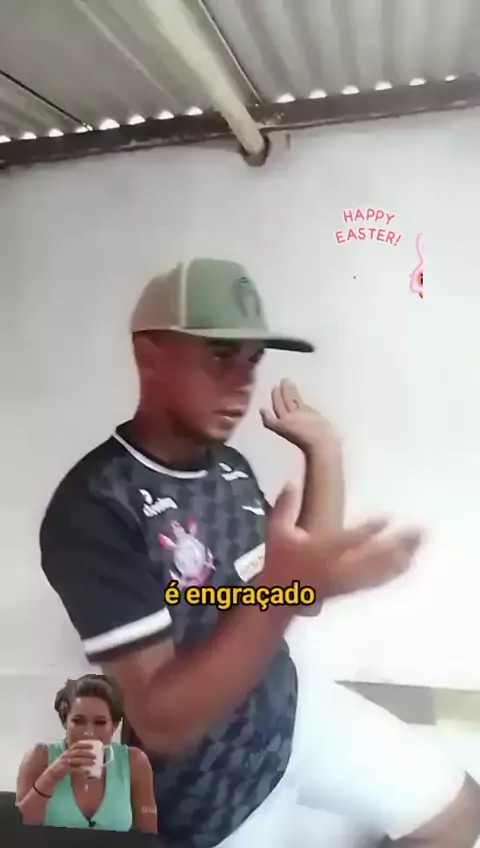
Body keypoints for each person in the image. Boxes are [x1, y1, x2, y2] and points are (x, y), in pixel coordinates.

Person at [39, 258, 480, 848]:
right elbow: (162, 724)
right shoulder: (96, 505)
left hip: (289, 714)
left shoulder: (229, 468)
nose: (242, 381)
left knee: (459, 814)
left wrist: (325, 453)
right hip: (212, 791)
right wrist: (284, 588)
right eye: (221, 355)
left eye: (252, 360)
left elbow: (300, 590)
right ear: (149, 354)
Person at [16, 673, 157, 834]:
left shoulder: (134, 762)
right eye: (78, 721)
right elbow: (18, 829)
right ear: (65, 722)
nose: (89, 732)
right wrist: (53, 774)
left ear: (114, 726)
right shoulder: (39, 757)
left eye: (100, 722)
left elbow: (148, 833)